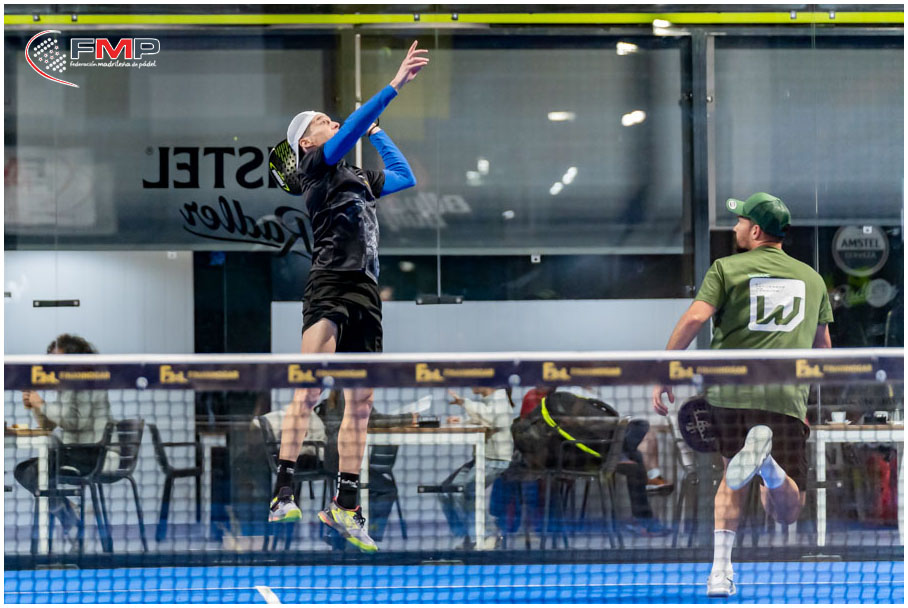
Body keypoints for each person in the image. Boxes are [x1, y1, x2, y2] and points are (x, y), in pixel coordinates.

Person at [268, 40, 429, 553]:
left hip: (366, 291)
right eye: (321, 120)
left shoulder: (356, 176)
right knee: (309, 389)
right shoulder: (315, 169)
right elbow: (352, 127)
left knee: (362, 403)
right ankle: (283, 491)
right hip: (329, 281)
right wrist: (393, 87)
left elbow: (404, 176)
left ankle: (345, 505)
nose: (330, 120)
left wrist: (378, 131)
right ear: (307, 142)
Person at [652, 193, 833, 597]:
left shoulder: (725, 268)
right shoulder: (813, 279)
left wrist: (665, 369)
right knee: (785, 513)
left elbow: (696, 317)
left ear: (755, 231)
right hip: (785, 397)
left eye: (740, 221)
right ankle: (768, 466)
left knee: (731, 479)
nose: (735, 226)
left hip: (729, 393)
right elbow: (823, 349)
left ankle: (720, 573)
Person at [14, 334, 112, 548]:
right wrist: (36, 406)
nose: (52, 364)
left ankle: (69, 518)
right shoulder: (67, 384)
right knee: (24, 471)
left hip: (91, 454)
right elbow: (49, 426)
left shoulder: (86, 381)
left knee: (34, 473)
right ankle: (70, 516)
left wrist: (42, 404)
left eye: (57, 358)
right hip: (72, 453)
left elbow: (74, 421)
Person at [314, 390, 418, 543]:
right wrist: (408, 418)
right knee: (386, 489)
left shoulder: (341, 393)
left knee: (367, 487)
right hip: (340, 460)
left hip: (334, 461)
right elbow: (372, 420)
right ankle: (371, 534)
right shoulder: (353, 390)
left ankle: (341, 533)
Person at [440, 387, 516, 550]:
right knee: (446, 490)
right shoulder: (489, 401)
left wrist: (465, 403)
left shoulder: (500, 399)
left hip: (496, 460)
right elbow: (481, 418)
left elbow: (490, 419)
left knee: (466, 490)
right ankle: (467, 535)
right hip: (481, 458)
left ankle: (490, 534)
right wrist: (461, 421)